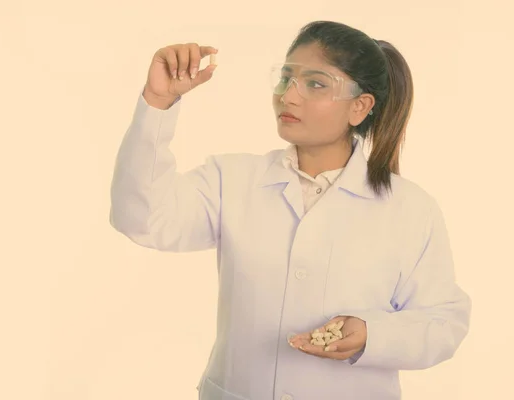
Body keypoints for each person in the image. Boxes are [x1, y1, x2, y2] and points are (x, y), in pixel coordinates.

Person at [109, 20, 471, 400]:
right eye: (285, 78)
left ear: (360, 107)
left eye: (315, 83)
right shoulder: (231, 180)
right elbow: (142, 218)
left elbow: (443, 322)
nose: (289, 96)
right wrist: (158, 102)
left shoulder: (410, 209)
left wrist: (372, 334)